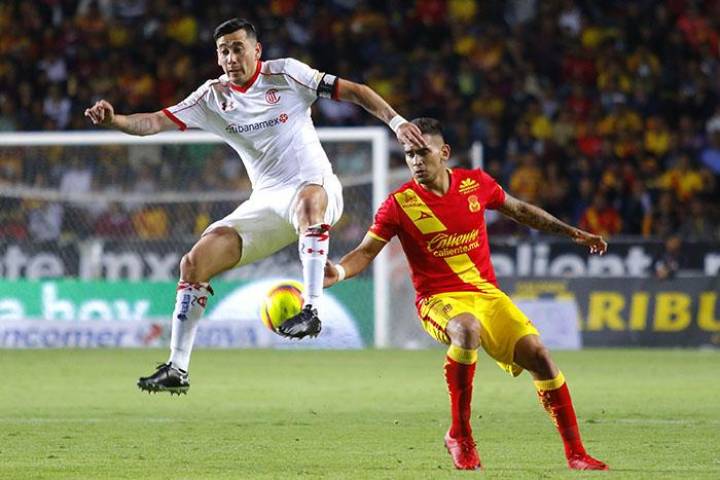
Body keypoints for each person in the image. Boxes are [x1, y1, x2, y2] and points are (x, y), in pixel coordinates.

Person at [84, 18, 425, 395]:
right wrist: (115, 120)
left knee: (308, 201)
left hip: (317, 186)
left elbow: (357, 92)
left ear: (256, 50)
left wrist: (397, 123)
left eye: (238, 48)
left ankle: (311, 309)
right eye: (224, 51)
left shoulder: (288, 74)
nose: (231, 57)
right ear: (218, 58)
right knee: (194, 263)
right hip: (265, 202)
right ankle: (177, 368)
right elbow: (152, 122)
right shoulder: (211, 97)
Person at [323, 118, 609, 471]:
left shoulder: (476, 184)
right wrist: (338, 272)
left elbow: (520, 210)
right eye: (409, 154)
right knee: (467, 329)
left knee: (539, 356)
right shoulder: (399, 204)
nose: (416, 161)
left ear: (444, 152)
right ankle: (460, 435)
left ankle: (576, 454)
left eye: (423, 152)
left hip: (487, 295)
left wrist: (572, 232)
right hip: (438, 300)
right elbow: (366, 251)